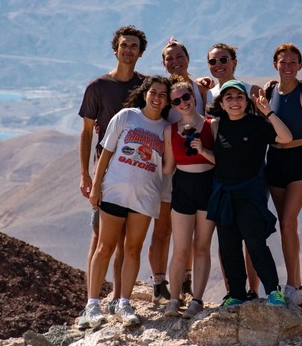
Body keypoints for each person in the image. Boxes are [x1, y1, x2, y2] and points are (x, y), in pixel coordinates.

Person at [79, 76, 173, 328]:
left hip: (145, 196)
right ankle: (92, 305)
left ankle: (124, 303)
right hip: (114, 191)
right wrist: (96, 186)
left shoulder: (166, 128)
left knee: (133, 249)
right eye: (154, 92)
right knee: (104, 247)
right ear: (145, 93)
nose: (157, 98)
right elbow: (107, 150)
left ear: (168, 100)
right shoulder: (126, 116)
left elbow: (167, 165)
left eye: (163, 95)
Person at [77, 25, 147, 317]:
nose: (128, 50)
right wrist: (86, 175)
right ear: (115, 49)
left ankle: (119, 299)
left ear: (140, 52)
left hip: (135, 175)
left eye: (134, 46)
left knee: (127, 243)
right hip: (105, 173)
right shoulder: (98, 87)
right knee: (100, 239)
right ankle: (91, 303)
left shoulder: (146, 87)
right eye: (124, 45)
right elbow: (85, 133)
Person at [206, 79, 292, 307]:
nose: (234, 102)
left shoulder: (257, 124)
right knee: (229, 247)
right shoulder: (216, 125)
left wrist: (268, 113)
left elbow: (286, 138)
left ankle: (274, 291)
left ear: (246, 101)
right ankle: (236, 293)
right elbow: (219, 159)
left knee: (255, 244)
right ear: (222, 103)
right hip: (224, 195)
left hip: (249, 195)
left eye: (239, 97)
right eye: (229, 98)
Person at [202, 42, 262, 298]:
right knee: (226, 234)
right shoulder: (206, 94)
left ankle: (253, 289)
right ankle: (232, 289)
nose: (218, 66)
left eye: (223, 60)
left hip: (252, 175)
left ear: (234, 62)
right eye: (213, 62)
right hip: (220, 175)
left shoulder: (251, 91)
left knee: (252, 235)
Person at [264, 44, 302, 305]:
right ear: (275, 64)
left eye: (292, 62)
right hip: (274, 159)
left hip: (300, 160)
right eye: (283, 62)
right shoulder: (269, 90)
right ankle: (296, 285)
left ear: (300, 65)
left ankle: (292, 285)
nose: (287, 67)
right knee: (287, 227)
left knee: (287, 220)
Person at [162, 79, 215, 319]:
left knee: (202, 247)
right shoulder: (169, 131)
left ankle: (196, 300)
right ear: (172, 105)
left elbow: (222, 161)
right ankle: (173, 300)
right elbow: (168, 167)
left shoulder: (212, 125)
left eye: (186, 97)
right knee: (181, 249)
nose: (182, 103)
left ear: (194, 98)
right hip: (182, 187)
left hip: (208, 186)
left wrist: (203, 150)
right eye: (176, 101)